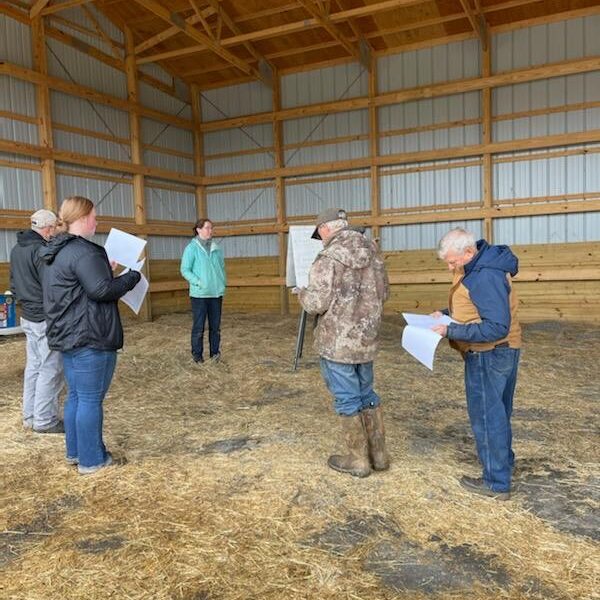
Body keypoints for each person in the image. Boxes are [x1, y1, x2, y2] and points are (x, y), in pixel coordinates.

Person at [40, 197, 141, 474]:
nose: (97, 222)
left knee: (76, 396)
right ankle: (92, 460)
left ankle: (76, 452)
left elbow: (82, 286)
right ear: (83, 218)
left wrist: (104, 273)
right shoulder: (85, 251)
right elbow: (101, 291)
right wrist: (132, 277)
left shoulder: (57, 250)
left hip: (69, 334)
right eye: (94, 216)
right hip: (89, 335)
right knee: (89, 399)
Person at [297, 208, 390, 478]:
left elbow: (317, 304)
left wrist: (302, 293)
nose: (321, 238)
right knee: (367, 393)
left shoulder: (328, 257)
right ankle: (379, 455)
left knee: (347, 398)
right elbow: (385, 293)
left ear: (326, 228)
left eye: (320, 233)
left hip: (337, 341)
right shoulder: (373, 253)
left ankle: (358, 460)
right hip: (366, 338)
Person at [431, 228, 521, 501]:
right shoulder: (481, 265)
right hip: (502, 352)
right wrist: (446, 315)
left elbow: (495, 326)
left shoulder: (483, 276)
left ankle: (495, 483)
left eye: (452, 261)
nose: (450, 267)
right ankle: (502, 465)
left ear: (469, 252)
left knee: (487, 416)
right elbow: (478, 308)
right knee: (498, 413)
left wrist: (451, 331)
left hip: (488, 353)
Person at [10, 209, 64, 433]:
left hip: (27, 316)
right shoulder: (40, 250)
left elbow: (13, 283)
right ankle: (44, 419)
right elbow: (50, 285)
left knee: (33, 366)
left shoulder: (16, 249)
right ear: (48, 228)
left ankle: (29, 416)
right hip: (43, 316)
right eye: (53, 229)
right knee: (51, 367)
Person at [180, 218, 226, 363]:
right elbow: (185, 270)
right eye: (207, 228)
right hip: (199, 295)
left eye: (211, 228)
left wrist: (222, 282)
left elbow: (221, 268)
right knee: (199, 327)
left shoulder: (216, 248)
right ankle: (197, 356)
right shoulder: (191, 248)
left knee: (215, 327)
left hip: (216, 293)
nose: (210, 231)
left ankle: (215, 354)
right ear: (198, 230)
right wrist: (198, 282)